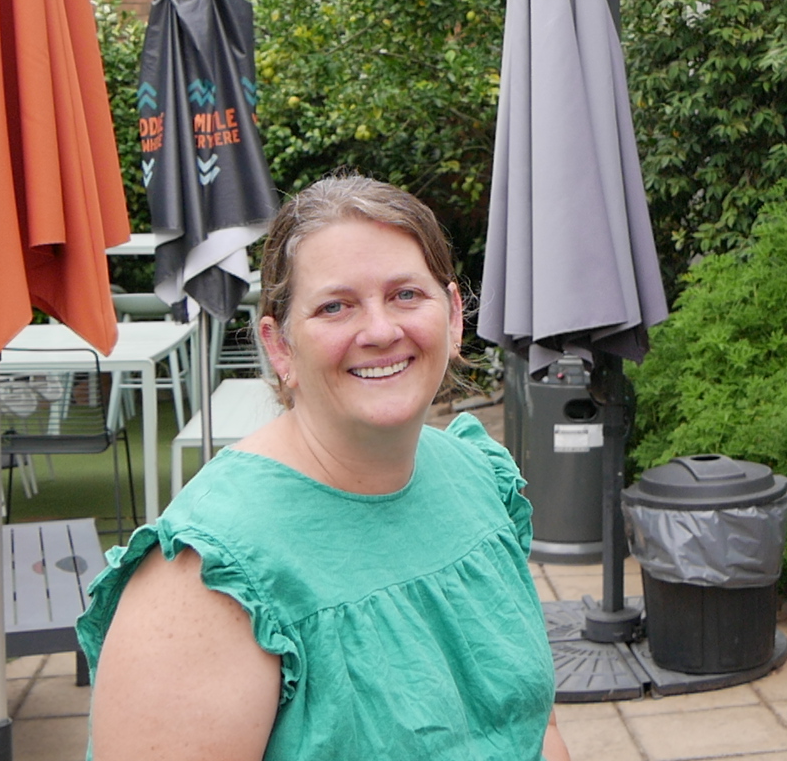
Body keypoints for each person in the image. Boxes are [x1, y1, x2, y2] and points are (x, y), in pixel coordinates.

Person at [78, 176, 568, 761]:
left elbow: (536, 727)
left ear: (455, 315)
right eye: (336, 306)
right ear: (279, 346)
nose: (382, 330)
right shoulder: (206, 577)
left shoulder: (480, 478)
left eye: (406, 294)